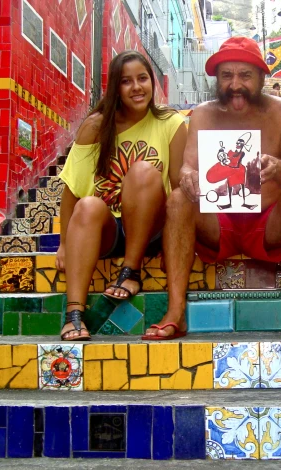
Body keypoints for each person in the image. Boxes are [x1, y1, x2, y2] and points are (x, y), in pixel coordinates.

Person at [143, 36, 281, 340]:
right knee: (178, 198)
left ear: (262, 77)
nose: (235, 84)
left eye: (245, 75)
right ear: (217, 79)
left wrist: (278, 168)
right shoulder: (203, 113)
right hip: (218, 224)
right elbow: (188, 166)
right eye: (227, 75)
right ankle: (175, 310)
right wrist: (187, 177)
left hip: (267, 224)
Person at [56, 50, 187, 340]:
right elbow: (71, 192)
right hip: (107, 230)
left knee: (142, 172)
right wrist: (65, 243)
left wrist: (174, 244)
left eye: (142, 78)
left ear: (153, 83)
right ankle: (74, 314)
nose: (137, 87)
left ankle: (131, 271)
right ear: (116, 87)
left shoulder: (171, 123)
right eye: (127, 81)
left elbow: (178, 190)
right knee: (89, 204)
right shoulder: (96, 126)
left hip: (151, 226)